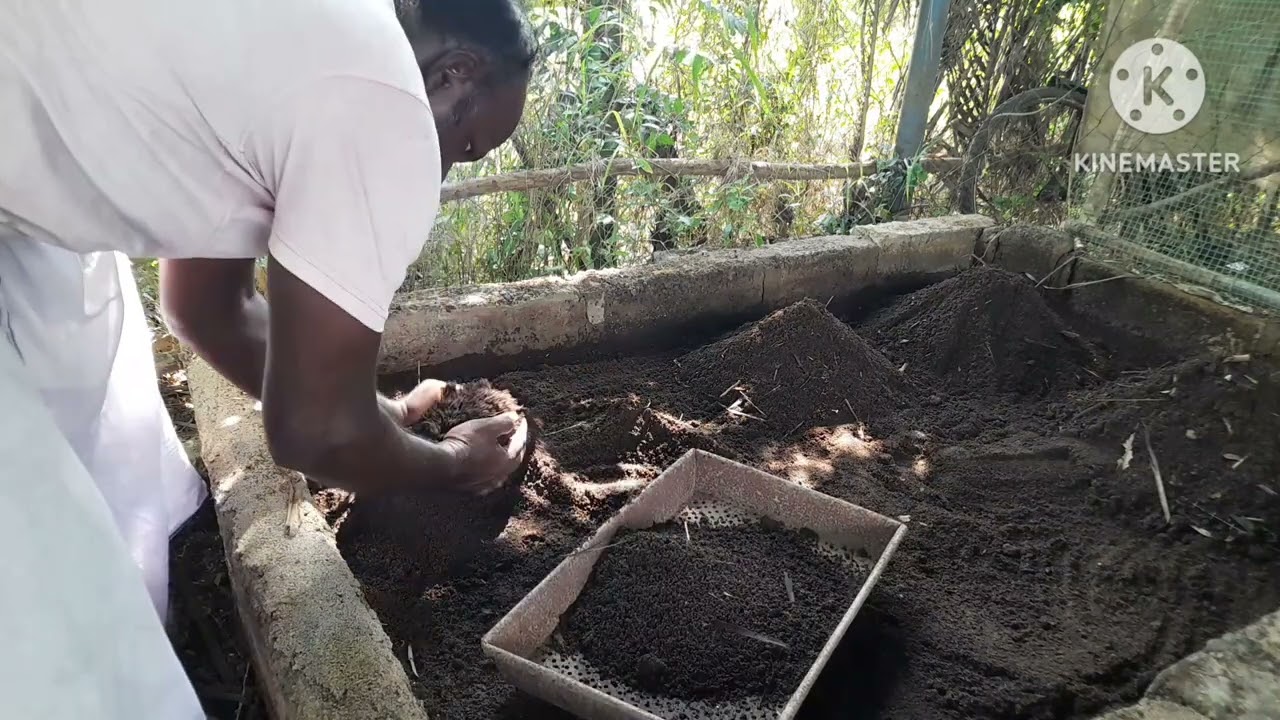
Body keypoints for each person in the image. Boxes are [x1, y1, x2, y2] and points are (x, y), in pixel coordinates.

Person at [0, 0, 535, 716]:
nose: (438, 170)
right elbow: (313, 433)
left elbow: (207, 307)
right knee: (46, 620)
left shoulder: (312, 39)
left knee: (86, 378)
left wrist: (383, 415)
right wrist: (453, 467)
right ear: (452, 73)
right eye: (465, 144)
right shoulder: (384, 96)